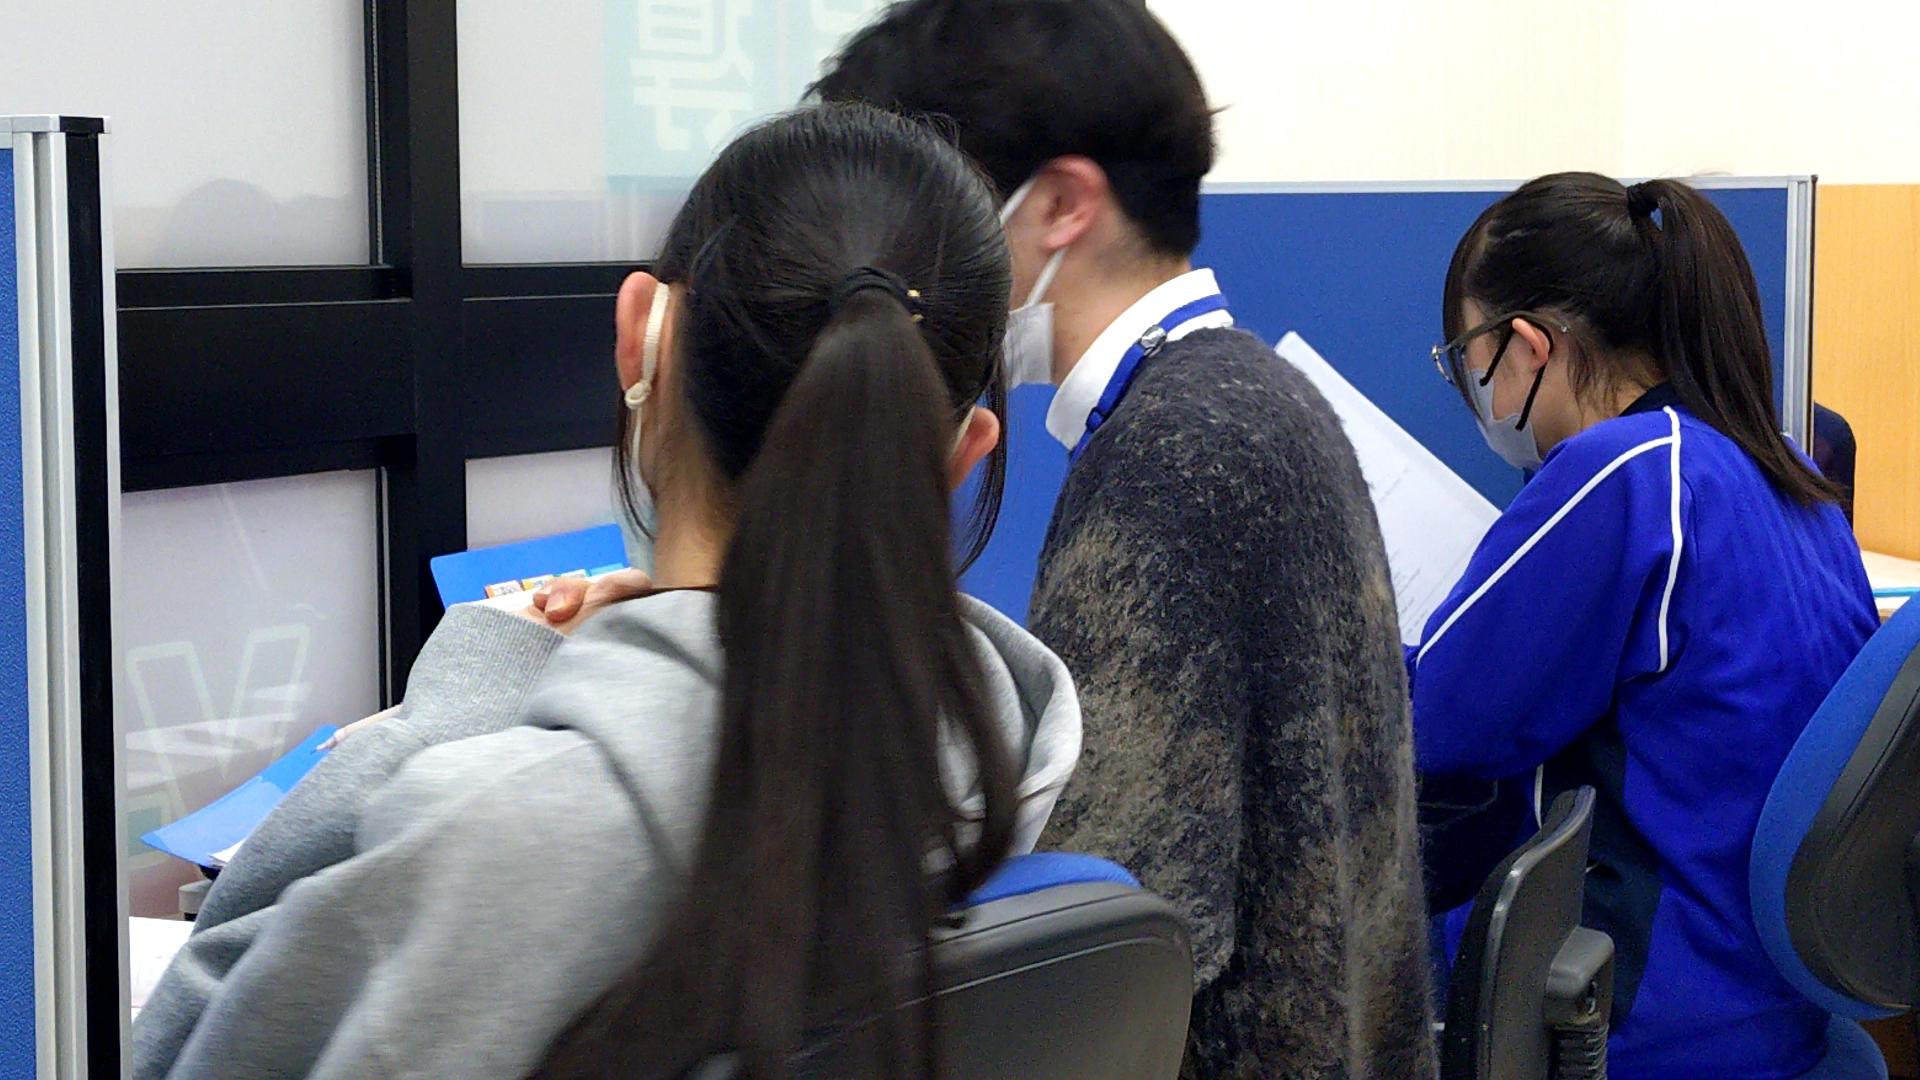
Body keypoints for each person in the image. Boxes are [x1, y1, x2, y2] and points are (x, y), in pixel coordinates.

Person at [135, 103, 1083, 1079]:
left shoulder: (503, 834)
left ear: (640, 336)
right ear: (959, 455)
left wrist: (453, 714)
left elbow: (188, 1052)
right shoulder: (997, 738)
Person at [815, 3, 1436, 1076]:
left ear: (1061, 203)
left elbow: (1094, 918)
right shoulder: (1249, 394)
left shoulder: (1174, 450)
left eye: (924, 222)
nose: (907, 279)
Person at [1414, 172, 1878, 1078]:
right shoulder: (1784, 470)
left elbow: (1442, 721)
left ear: (1528, 346)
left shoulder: (1627, 472)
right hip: (1776, 1009)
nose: (1472, 384)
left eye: (1468, 355)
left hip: (1636, 1025)